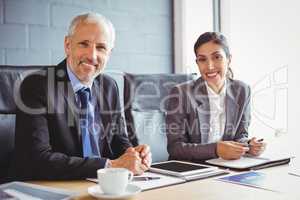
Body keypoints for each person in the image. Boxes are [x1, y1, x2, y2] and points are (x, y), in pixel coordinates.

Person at [10, 12, 151, 180]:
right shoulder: (37, 85)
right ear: (68, 45)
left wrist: (133, 155)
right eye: (84, 44)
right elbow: (36, 159)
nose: (92, 56)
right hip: (56, 186)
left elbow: (118, 140)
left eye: (101, 47)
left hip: (105, 185)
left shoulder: (109, 86)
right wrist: (110, 166)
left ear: (109, 53)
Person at [166, 32, 266, 161]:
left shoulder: (242, 90)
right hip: (192, 168)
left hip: (226, 166)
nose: (210, 66)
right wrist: (216, 149)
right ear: (197, 63)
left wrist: (249, 145)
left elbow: (240, 135)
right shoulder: (181, 93)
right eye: (202, 59)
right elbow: (175, 148)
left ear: (229, 59)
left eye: (217, 57)